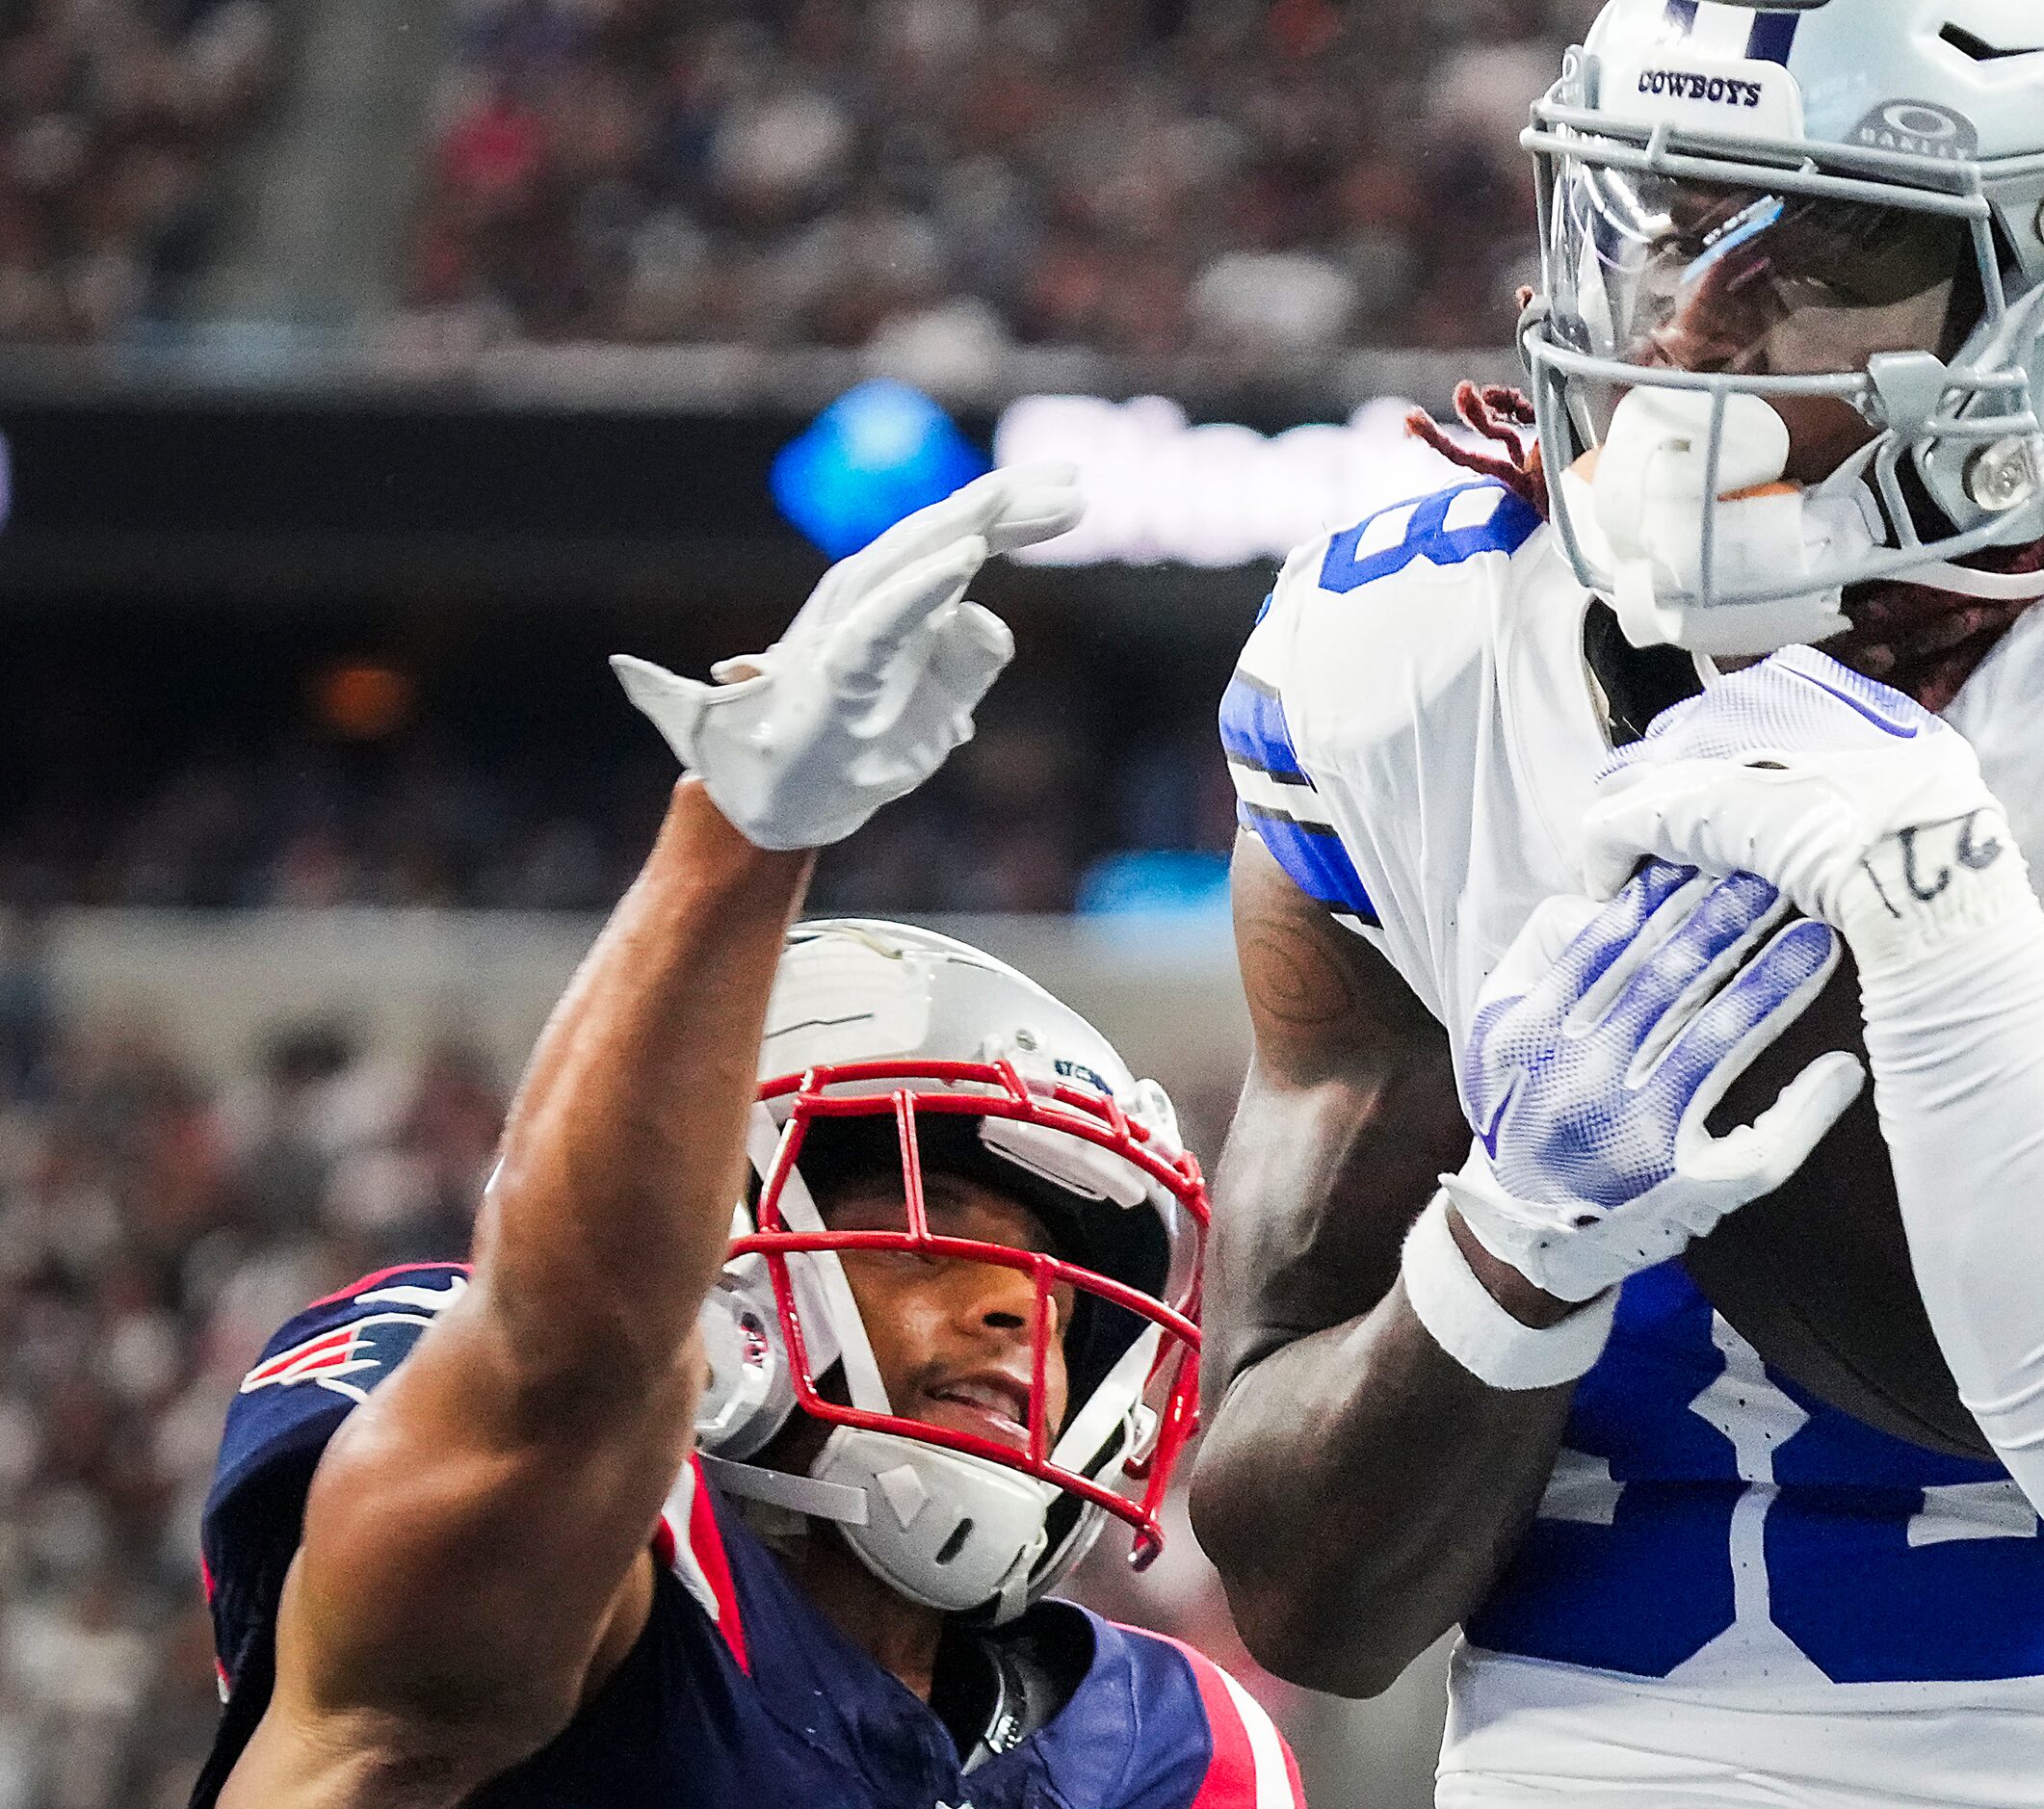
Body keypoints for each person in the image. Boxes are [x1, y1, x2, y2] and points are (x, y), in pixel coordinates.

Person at [1191, 2, 2044, 1804]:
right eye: (1661, 221)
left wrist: (1919, 928)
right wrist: (1514, 1245)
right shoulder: (1406, 651)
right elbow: (1312, 1593)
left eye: (1817, 248)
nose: (1679, 332)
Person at [192, 468, 1301, 1808]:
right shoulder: (579, 1553)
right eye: (935, 1231)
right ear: (722, 1245)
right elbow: (568, 1366)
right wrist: (741, 840)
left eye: (1051, 1278)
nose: (1018, 1311)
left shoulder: (1174, 1745)